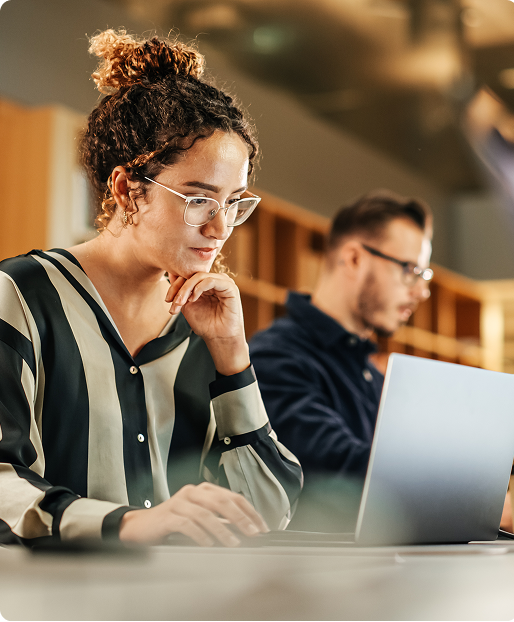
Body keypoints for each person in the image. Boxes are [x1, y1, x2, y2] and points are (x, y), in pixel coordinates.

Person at [0, 29, 302, 548]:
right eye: (198, 199)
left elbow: (268, 512)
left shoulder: (204, 325)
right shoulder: (21, 296)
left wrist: (232, 355)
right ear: (125, 189)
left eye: (234, 203)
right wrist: (128, 524)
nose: (221, 227)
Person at [249, 191, 432, 529]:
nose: (420, 292)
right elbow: (336, 471)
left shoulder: (372, 377)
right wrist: (457, 488)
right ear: (354, 259)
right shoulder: (274, 357)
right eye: (410, 270)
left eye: (423, 276)